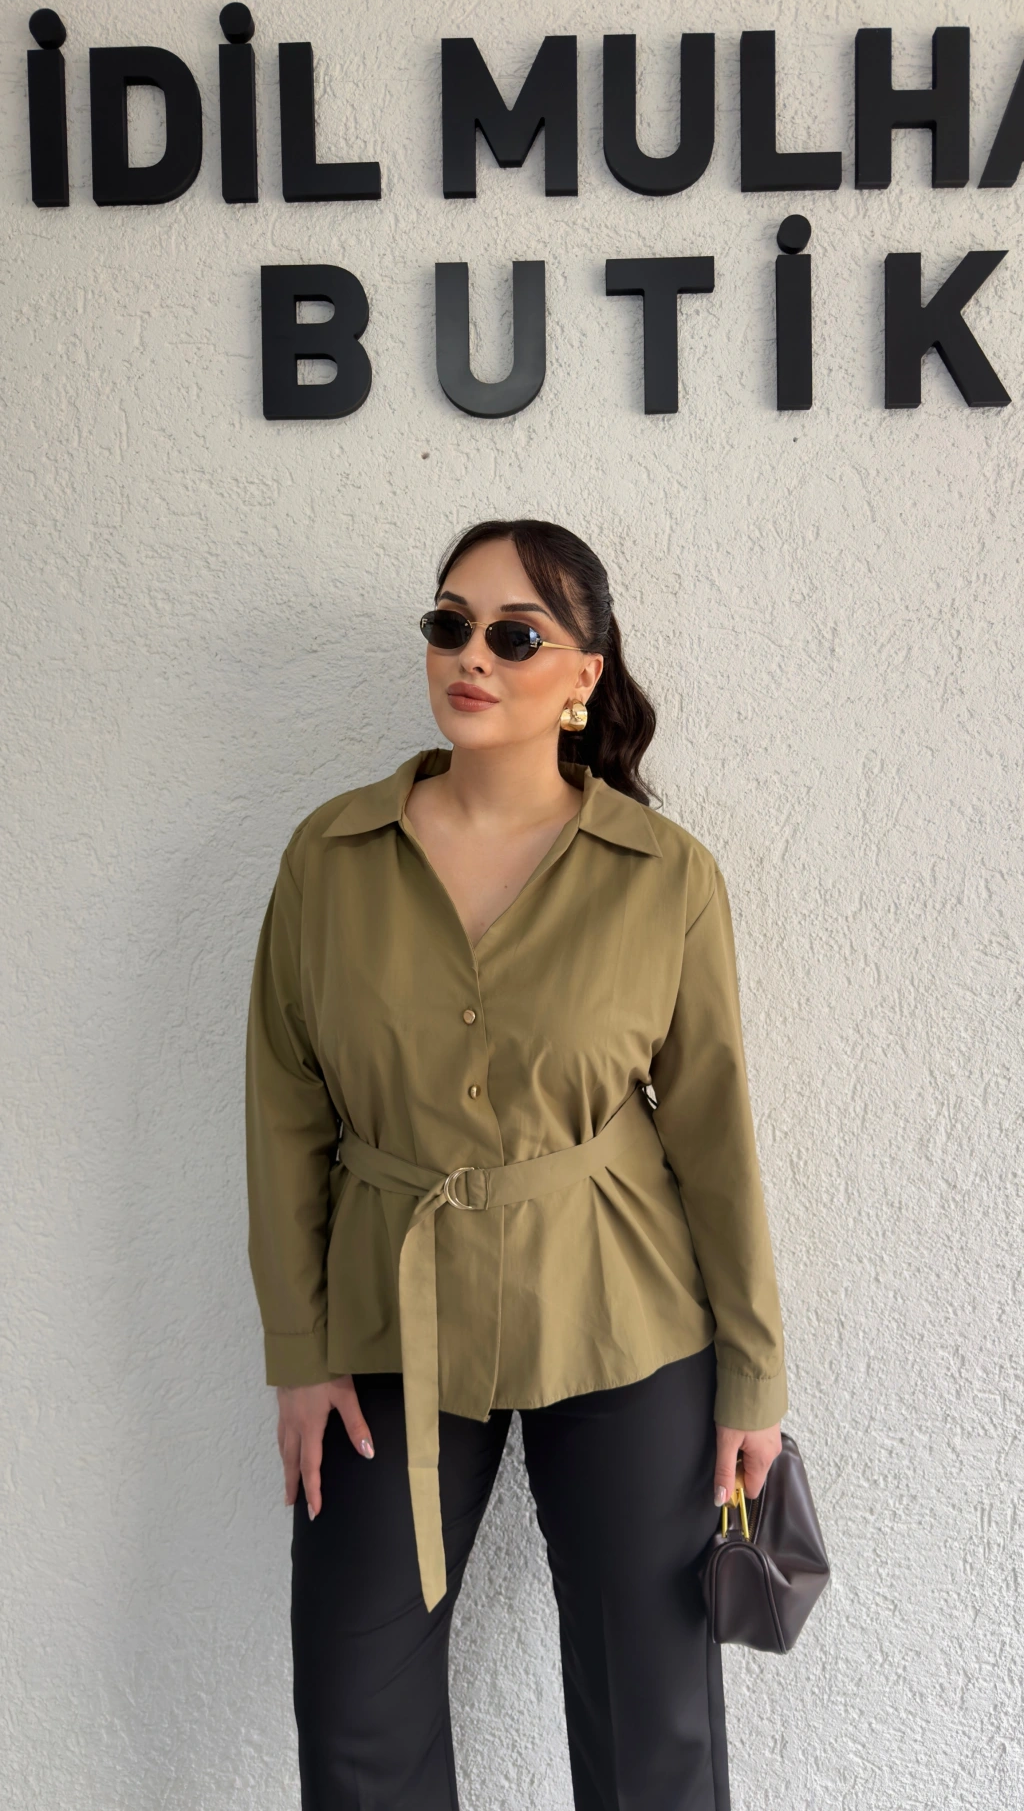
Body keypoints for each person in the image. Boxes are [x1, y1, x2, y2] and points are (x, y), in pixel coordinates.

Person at [244, 518, 788, 1811]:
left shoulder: (664, 878)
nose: (471, 656)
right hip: (387, 1319)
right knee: (355, 1714)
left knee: (653, 1721)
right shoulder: (329, 860)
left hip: (624, 1316)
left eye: (514, 634)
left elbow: (713, 1134)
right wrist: (300, 1352)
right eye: (449, 625)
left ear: (584, 674)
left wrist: (754, 1376)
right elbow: (283, 1110)